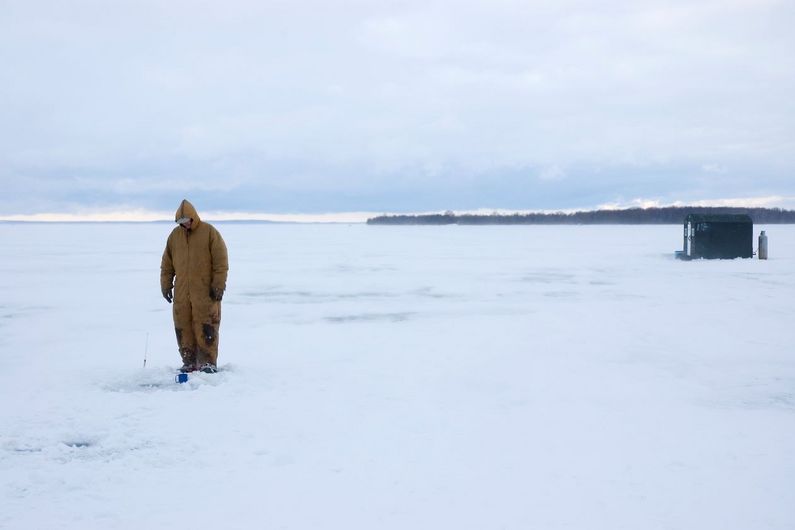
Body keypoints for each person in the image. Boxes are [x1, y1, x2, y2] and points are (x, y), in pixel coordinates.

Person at [160, 199, 229, 373]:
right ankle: (189, 361)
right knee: (183, 327)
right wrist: (166, 285)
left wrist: (218, 286)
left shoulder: (209, 233)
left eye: (187, 222)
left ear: (193, 218)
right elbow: (167, 265)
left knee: (206, 327)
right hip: (182, 294)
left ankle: (208, 362)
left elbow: (221, 263)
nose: (185, 226)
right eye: (181, 223)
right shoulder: (174, 237)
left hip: (205, 293)